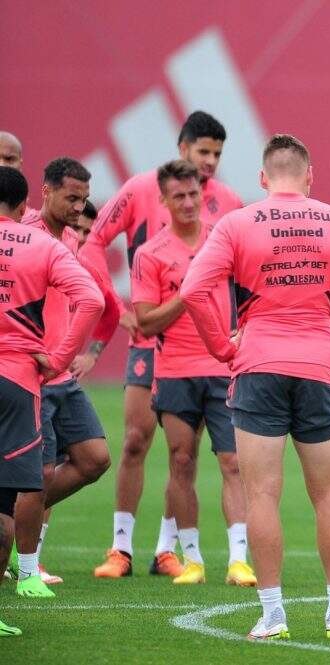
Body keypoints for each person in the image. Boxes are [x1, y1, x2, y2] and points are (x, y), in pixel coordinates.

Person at [180, 134, 330, 640]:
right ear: (310, 177)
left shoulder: (237, 223)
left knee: (261, 495)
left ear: (263, 178)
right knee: (328, 494)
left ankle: (273, 614)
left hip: (258, 365)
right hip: (321, 366)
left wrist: (221, 347)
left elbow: (193, 289)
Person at [82, 111, 243, 578]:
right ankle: (120, 549)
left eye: (217, 154)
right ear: (182, 149)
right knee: (136, 439)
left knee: (186, 453)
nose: (209, 161)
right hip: (153, 339)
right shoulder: (140, 189)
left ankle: (167, 550)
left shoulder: (229, 202)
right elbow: (93, 242)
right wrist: (118, 307)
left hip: (206, 349)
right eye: (203, 151)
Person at [116, 159, 254, 586]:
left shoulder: (224, 241)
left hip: (223, 366)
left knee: (233, 461)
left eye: (194, 194)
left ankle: (239, 560)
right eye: (179, 196)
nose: (190, 202)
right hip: (175, 370)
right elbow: (145, 321)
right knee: (181, 460)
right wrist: (188, 293)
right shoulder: (150, 254)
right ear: (164, 200)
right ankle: (191, 559)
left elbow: (249, 291)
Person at [0, 165, 104, 635]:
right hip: (25, 375)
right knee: (25, 482)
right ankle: (27, 570)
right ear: (33, 199)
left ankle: (26, 563)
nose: (80, 208)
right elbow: (92, 299)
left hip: (48, 375)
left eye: (84, 199)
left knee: (91, 459)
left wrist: (75, 355)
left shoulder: (67, 239)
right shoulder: (35, 240)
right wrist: (57, 356)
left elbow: (100, 300)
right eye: (73, 198)